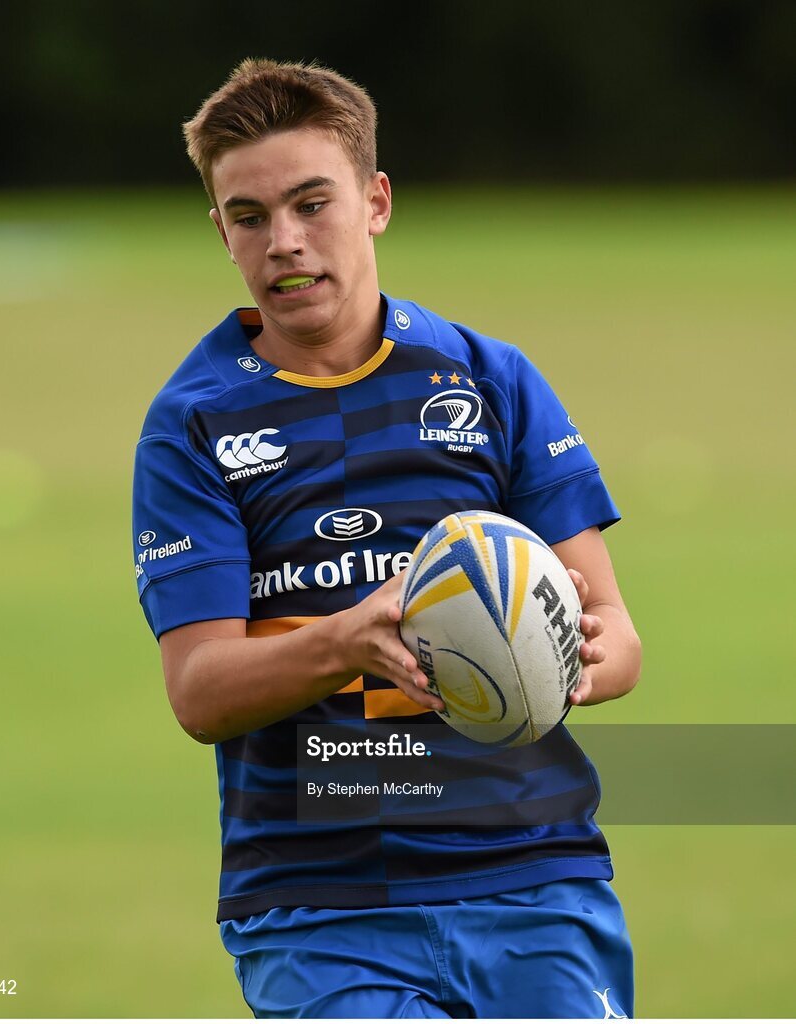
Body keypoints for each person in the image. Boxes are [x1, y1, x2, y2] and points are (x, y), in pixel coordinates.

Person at [132, 58, 641, 1019]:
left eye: (310, 203)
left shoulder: (489, 381)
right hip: (319, 903)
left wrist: (567, 658)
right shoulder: (192, 425)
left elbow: (615, 629)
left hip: (533, 874)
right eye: (248, 217)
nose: (283, 241)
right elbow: (199, 694)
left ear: (374, 201)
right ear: (221, 232)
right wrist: (345, 641)